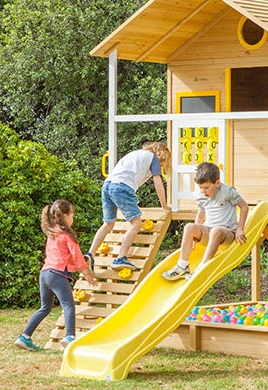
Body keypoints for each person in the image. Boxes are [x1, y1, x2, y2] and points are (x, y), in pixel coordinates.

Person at [15, 200, 98, 351]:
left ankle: (24, 337)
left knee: (45, 307)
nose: (73, 220)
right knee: (68, 305)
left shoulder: (52, 235)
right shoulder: (67, 236)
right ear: (65, 216)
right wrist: (87, 275)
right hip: (57, 274)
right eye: (72, 216)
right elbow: (78, 257)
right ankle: (70, 337)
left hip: (45, 274)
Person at [85, 142, 171, 272]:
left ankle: (90, 255)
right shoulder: (153, 159)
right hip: (121, 187)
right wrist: (165, 206)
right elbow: (157, 182)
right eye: (163, 162)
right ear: (161, 155)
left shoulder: (135, 154)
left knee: (108, 224)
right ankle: (121, 258)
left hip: (107, 185)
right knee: (136, 224)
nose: (162, 165)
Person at [162, 162, 248, 280]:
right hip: (209, 231)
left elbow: (244, 207)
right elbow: (200, 214)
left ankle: (202, 267)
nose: (203, 191)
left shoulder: (228, 191)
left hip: (226, 233)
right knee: (189, 227)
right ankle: (182, 266)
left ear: (217, 183)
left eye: (206, 187)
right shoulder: (200, 195)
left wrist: (239, 229)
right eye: (200, 187)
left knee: (216, 230)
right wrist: (192, 237)